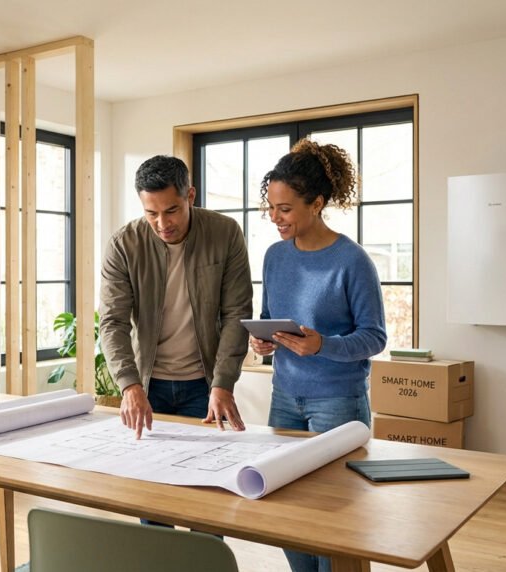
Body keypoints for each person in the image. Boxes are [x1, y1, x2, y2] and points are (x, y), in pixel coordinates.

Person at [250, 139, 387, 572]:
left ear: (317, 204)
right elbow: (270, 316)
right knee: (287, 511)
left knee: (336, 518)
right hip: (284, 396)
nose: (275, 217)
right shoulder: (274, 257)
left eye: (285, 208)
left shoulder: (352, 261)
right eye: (271, 207)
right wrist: (264, 340)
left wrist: (322, 344)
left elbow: (374, 337)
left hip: (338, 402)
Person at [99, 155, 253, 440]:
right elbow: (112, 322)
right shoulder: (124, 244)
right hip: (146, 385)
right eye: (151, 213)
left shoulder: (225, 233)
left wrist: (223, 383)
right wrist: (129, 385)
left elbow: (237, 313)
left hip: (203, 384)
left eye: (171, 210)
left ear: (190, 195)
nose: (162, 223)